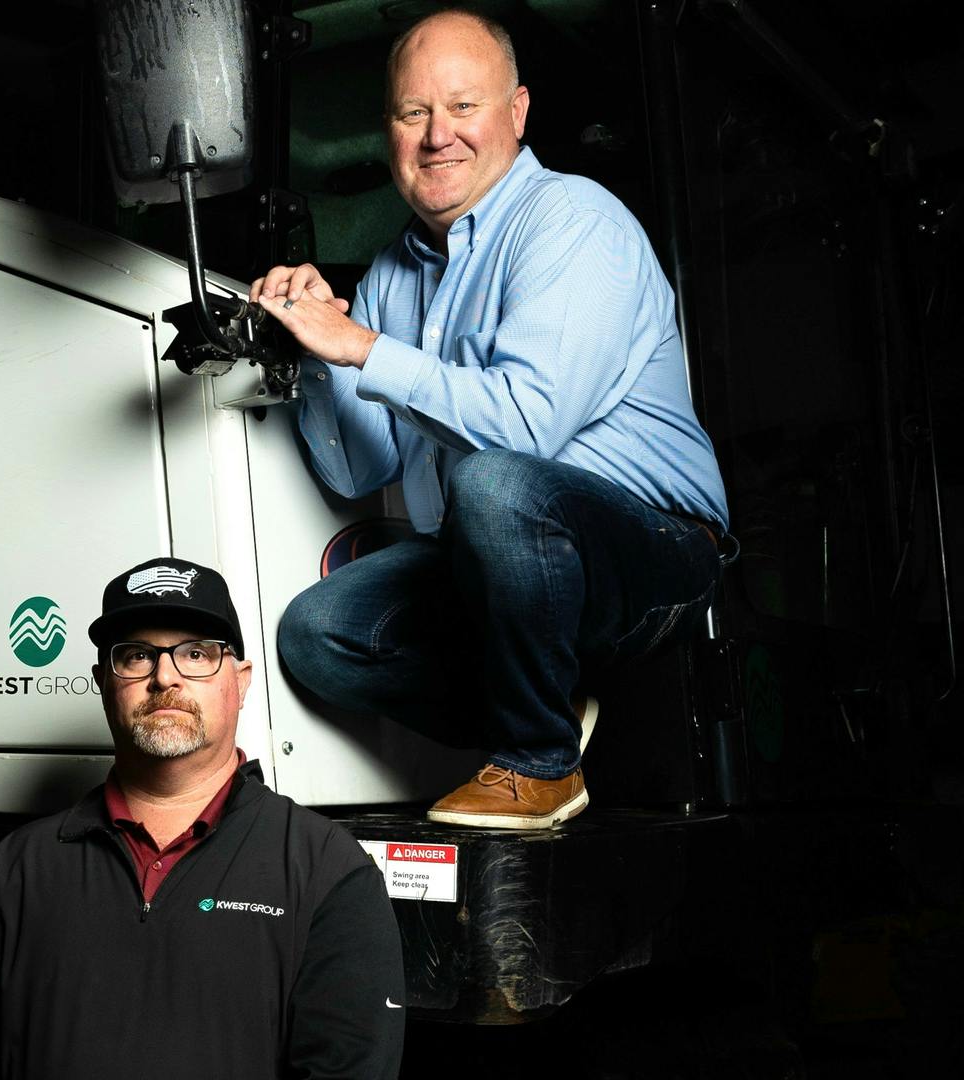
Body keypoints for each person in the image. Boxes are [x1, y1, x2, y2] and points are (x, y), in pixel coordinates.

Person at [251, 9, 730, 829]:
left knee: (496, 482)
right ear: (391, 133)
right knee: (319, 632)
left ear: (516, 113)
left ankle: (540, 765)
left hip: (653, 551)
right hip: (495, 566)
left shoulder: (574, 221)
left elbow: (525, 428)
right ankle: (540, 706)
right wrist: (318, 350)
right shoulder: (391, 275)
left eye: (463, 107)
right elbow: (357, 471)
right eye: (413, 114)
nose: (438, 135)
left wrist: (362, 346)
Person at [0, 557, 406, 1080]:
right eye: (137, 656)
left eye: (197, 654)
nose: (165, 677)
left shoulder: (326, 870)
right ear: (102, 682)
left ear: (241, 681)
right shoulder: (20, 867)